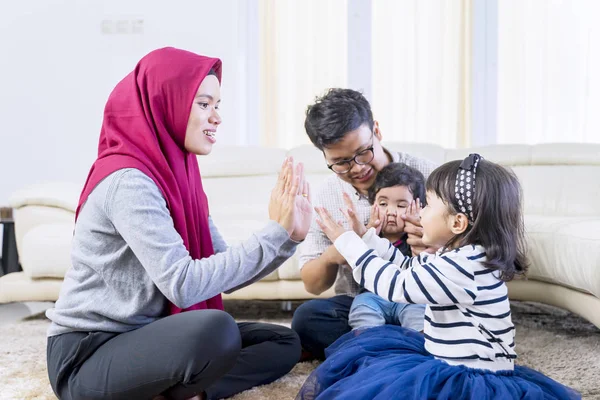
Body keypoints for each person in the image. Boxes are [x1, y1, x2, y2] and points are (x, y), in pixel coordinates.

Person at [45, 47, 312, 400]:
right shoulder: (129, 182)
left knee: (283, 340)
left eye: (217, 105)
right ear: (163, 103)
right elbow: (183, 284)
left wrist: (287, 238)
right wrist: (273, 232)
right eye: (204, 104)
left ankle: (187, 393)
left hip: (148, 334)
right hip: (87, 353)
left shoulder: (181, 178)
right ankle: (174, 387)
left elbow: (222, 270)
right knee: (216, 331)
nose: (216, 117)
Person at [299, 154, 580, 399]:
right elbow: (410, 270)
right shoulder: (459, 255)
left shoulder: (465, 265)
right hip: (446, 358)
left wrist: (351, 245)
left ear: (457, 222)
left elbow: (398, 285)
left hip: (469, 376)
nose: (419, 212)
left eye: (427, 205)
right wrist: (368, 238)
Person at [291, 88, 437, 359]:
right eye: (341, 162)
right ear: (325, 157)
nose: (357, 168)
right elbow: (312, 284)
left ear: (377, 131)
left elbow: (474, 252)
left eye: (363, 152)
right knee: (307, 319)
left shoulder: (430, 176)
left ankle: (376, 345)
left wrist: (434, 243)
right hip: (364, 304)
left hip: (423, 296)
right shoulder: (329, 196)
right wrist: (333, 256)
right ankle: (402, 342)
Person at [347, 162, 427, 331]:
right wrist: (367, 237)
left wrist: (418, 236)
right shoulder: (367, 235)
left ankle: (420, 343)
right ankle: (368, 340)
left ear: (418, 208)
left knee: (420, 311)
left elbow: (425, 272)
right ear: (372, 204)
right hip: (372, 296)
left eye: (401, 205)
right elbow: (357, 266)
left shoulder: (421, 238)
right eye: (383, 204)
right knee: (361, 307)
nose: (391, 211)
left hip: (408, 296)